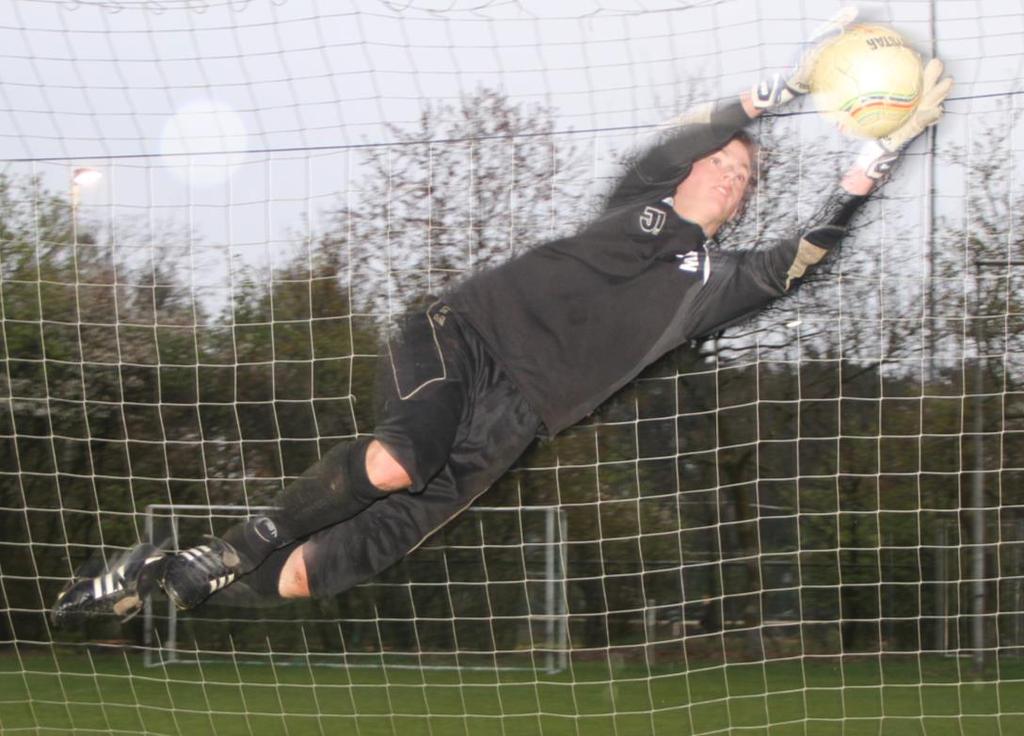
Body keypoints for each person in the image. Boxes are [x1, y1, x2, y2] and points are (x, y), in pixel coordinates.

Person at [51, 10, 954, 625]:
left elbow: (799, 262)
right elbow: (675, 138)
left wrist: (873, 163)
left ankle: (165, 575)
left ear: (746, 204)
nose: (728, 171)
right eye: (722, 160)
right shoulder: (639, 199)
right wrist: (778, 94)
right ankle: (222, 549)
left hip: (514, 425)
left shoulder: (715, 283)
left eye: (744, 175)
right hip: (462, 338)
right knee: (403, 457)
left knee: (306, 576)